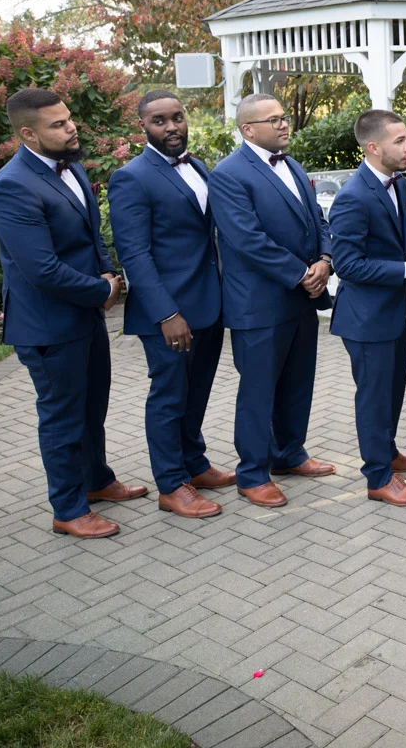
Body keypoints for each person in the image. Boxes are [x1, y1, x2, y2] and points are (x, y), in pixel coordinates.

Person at [0, 87, 139, 538]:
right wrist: (102, 290)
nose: (71, 128)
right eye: (58, 124)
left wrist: (108, 273)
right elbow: (41, 270)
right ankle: (69, 510)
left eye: (69, 118)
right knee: (62, 419)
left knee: (92, 408)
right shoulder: (12, 186)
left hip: (85, 316)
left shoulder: (70, 166)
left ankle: (96, 480)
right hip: (48, 325)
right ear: (28, 134)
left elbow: (91, 237)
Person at [107, 90, 234, 519]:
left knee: (196, 393)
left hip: (208, 304)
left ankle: (194, 463)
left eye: (177, 117)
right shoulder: (131, 177)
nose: (171, 127)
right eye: (159, 121)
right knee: (168, 398)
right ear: (142, 126)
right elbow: (135, 254)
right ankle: (172, 484)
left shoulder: (197, 166)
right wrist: (167, 313)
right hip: (168, 314)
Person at [208, 93, 334, 508]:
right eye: (274, 119)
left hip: (302, 299)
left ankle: (289, 454)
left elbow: (318, 220)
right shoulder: (228, 175)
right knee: (258, 391)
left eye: (283, 118)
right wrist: (302, 274)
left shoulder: (292, 165)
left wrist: (325, 260)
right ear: (248, 130)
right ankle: (252, 473)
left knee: (298, 383)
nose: (283, 124)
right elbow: (247, 240)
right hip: (259, 305)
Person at [327, 110, 406, 507]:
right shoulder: (352, 197)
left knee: (392, 391)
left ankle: (388, 451)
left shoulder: (398, 183)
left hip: (394, 314)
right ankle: (379, 477)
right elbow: (347, 265)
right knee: (374, 399)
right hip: (365, 320)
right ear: (373, 148)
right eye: (399, 141)